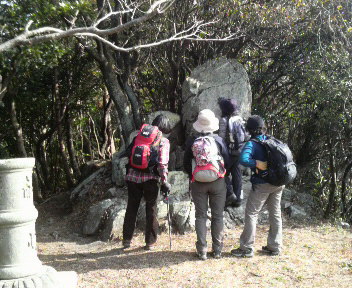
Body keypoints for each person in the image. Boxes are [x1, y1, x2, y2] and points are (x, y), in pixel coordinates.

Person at [231, 115, 284, 257]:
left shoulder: (252, 144)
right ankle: (275, 246)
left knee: (251, 213)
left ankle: (246, 248)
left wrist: (256, 164)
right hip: (278, 182)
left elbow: (243, 159)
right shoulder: (272, 139)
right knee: (275, 213)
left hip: (263, 183)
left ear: (249, 129)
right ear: (262, 128)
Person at [183, 109, 230, 260]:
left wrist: (193, 176)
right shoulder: (219, 140)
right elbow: (227, 161)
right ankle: (217, 250)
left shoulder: (192, 141)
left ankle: (202, 250)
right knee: (217, 216)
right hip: (217, 181)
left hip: (198, 182)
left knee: (200, 216)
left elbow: (185, 163)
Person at [122, 114, 172, 250]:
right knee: (151, 209)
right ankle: (149, 242)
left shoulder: (139, 136)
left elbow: (128, 153)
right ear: (165, 127)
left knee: (132, 207)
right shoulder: (163, 141)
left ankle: (127, 240)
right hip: (151, 179)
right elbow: (162, 163)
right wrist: (164, 181)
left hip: (132, 177)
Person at [218, 98, 247, 207]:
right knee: (237, 173)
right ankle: (238, 199)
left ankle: (230, 194)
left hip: (228, 151)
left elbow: (221, 138)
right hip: (239, 150)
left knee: (221, 171)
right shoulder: (239, 118)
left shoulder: (224, 120)